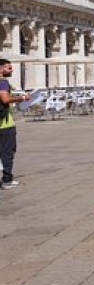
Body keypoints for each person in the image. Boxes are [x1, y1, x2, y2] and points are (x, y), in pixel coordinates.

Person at [0, 59, 30, 190]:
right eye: (9, 68)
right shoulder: (2, 82)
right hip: (5, 124)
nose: (11, 70)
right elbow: (5, 99)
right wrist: (23, 98)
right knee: (7, 152)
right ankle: (7, 180)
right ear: (1, 69)